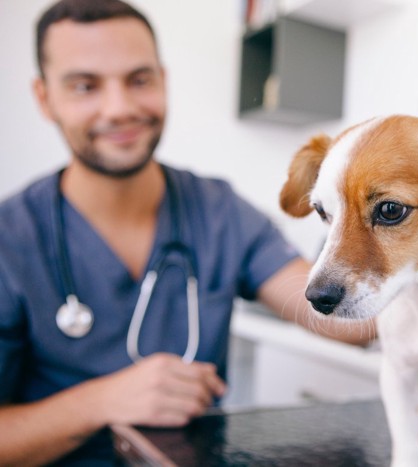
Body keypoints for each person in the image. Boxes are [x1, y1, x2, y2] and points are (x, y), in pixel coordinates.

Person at [0, 0, 375, 464]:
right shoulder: (11, 240)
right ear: (44, 98)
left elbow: (339, 315)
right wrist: (100, 402)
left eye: (139, 79)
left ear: (163, 80)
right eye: (85, 86)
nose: (119, 108)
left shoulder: (220, 212)